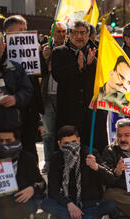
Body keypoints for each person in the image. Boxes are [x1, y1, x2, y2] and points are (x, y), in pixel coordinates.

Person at [41, 125, 116, 219]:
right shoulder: (56, 158)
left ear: (79, 140)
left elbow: (110, 180)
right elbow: (53, 190)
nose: (71, 147)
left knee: (111, 205)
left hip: (89, 202)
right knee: (46, 203)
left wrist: (96, 167)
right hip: (67, 202)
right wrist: (69, 204)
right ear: (59, 144)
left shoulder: (90, 153)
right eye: (66, 144)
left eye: (73, 142)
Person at [51, 20, 108, 152]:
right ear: (69, 35)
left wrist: (91, 64)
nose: (79, 37)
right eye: (75, 33)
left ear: (88, 35)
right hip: (69, 109)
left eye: (82, 33)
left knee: (93, 149)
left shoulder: (97, 51)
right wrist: (78, 67)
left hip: (92, 110)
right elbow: (58, 75)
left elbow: (105, 77)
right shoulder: (59, 52)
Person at [3, 15, 45, 162]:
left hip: (30, 110)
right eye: (20, 30)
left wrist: (40, 55)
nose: (24, 33)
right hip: (9, 113)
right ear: (8, 32)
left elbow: (39, 77)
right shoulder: (0, 53)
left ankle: (32, 181)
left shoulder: (32, 50)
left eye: (25, 29)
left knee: (29, 150)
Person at [0, 128, 46, 219]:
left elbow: (41, 183)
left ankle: (10, 218)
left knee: (31, 206)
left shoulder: (27, 158)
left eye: (8, 141)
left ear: (16, 141)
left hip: (20, 201)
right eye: (1, 141)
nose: (4, 144)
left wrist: (32, 188)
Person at [0, 29, 33, 137]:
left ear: (4, 46)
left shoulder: (16, 68)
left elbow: (28, 91)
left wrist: (15, 99)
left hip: (13, 128)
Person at [40, 21, 67, 173]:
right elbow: (37, 71)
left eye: (64, 31)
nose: (61, 34)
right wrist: (44, 58)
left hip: (63, 96)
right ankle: (49, 162)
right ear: (51, 33)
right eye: (58, 31)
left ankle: (62, 162)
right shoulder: (45, 48)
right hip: (47, 96)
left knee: (63, 130)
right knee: (48, 132)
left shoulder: (69, 49)